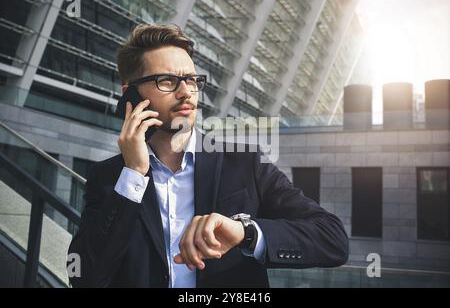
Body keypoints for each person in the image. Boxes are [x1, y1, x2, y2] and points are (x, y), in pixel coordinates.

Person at [67, 23, 348, 288]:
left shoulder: (245, 163)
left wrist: (245, 232)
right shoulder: (110, 178)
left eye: (190, 79)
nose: (185, 92)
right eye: (167, 81)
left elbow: (332, 238)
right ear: (130, 95)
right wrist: (134, 174)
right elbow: (84, 277)